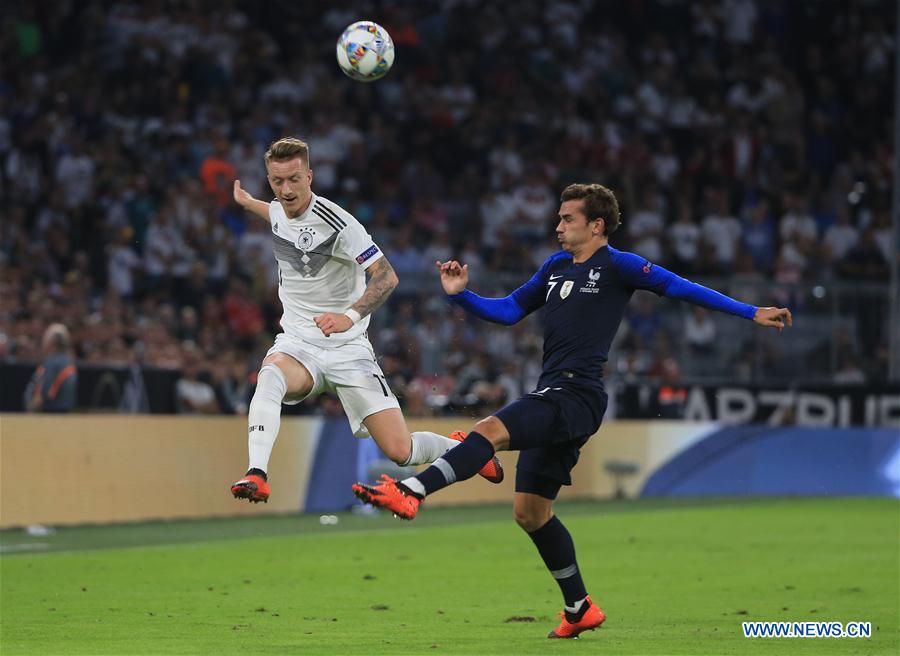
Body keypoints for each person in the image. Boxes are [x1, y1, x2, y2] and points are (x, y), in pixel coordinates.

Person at [353, 183, 792, 639]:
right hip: (555, 394)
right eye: (559, 218)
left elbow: (680, 287)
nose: (558, 226)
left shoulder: (619, 265)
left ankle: (413, 491)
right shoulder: (556, 267)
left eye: (568, 219)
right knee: (530, 512)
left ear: (596, 225)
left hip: (576, 395)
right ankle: (579, 607)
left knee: (489, 429)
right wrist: (462, 295)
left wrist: (749, 311)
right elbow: (509, 311)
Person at [229, 137, 502, 503]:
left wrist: (349, 316)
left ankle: (466, 447)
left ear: (310, 176)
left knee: (400, 450)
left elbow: (387, 276)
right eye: (277, 181)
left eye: (294, 179)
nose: (286, 190)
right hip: (298, 344)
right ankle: (257, 473)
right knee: (270, 375)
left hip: (347, 347)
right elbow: (275, 214)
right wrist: (248, 203)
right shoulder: (279, 209)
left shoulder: (340, 224)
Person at [24, 323, 78, 413]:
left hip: (51, 413)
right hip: (65, 412)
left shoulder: (53, 363)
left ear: (51, 342)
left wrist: (32, 408)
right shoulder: (68, 362)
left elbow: (46, 392)